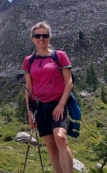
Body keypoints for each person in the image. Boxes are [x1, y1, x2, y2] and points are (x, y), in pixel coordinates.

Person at [23, 21, 74, 173]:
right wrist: (30, 113)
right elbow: (28, 88)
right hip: (40, 108)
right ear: (32, 38)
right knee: (51, 148)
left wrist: (61, 104)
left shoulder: (59, 56)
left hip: (57, 104)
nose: (41, 38)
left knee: (60, 138)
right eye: (37, 35)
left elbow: (69, 82)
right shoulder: (28, 61)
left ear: (49, 38)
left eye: (44, 35)